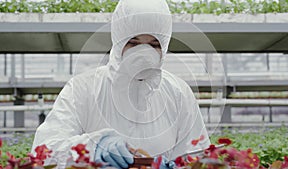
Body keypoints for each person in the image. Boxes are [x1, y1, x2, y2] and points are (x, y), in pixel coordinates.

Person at [31, 0, 211, 168]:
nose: (144, 54)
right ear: (118, 42)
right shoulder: (82, 89)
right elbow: (44, 152)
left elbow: (197, 156)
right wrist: (93, 146)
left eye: (154, 45)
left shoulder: (178, 92)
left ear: (164, 47)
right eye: (133, 43)